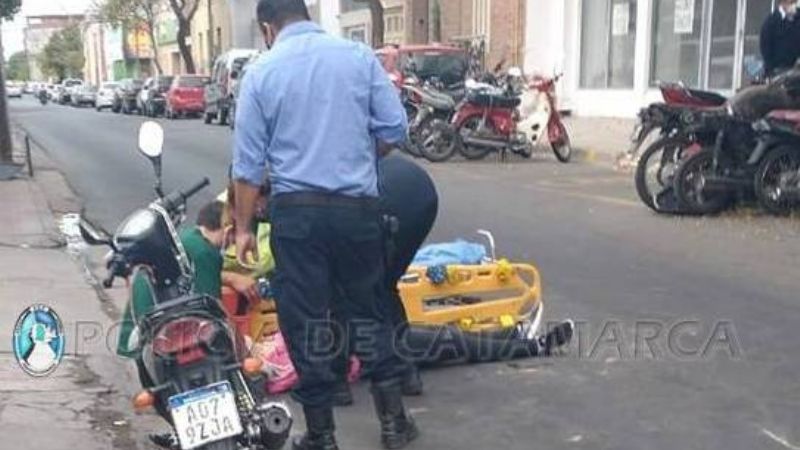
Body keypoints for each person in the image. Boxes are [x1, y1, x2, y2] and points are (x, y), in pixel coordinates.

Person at [231, 1, 416, 449]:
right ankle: (393, 425)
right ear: (306, 16)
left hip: (297, 215)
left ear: (267, 27)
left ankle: (321, 436)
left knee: (306, 321)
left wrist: (242, 230)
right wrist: (359, 157)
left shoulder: (260, 73)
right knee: (369, 313)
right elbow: (395, 128)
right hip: (357, 212)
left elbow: (248, 168)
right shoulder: (356, 57)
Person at [760, 0, 800, 78]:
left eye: (795, 2)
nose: (794, 6)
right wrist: (772, 71)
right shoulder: (771, 23)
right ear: (782, 3)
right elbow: (766, 50)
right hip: (779, 72)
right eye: (791, 3)